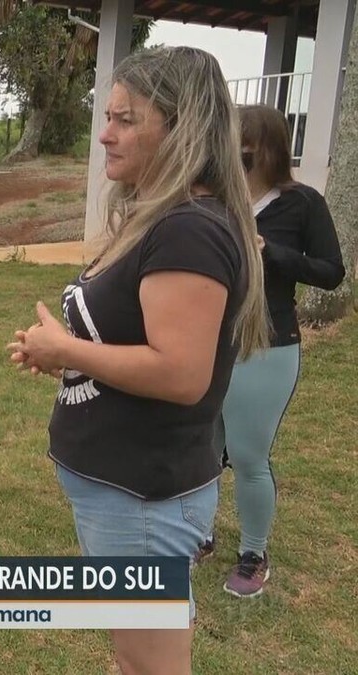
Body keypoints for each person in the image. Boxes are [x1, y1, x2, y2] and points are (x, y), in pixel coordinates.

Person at [7, 47, 268, 674]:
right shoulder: (156, 216)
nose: (105, 133)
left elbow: (181, 374)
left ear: (180, 128)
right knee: (136, 658)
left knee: (151, 665)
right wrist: (69, 355)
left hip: (144, 496)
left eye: (126, 118)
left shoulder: (187, 229)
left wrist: (66, 350)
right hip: (126, 491)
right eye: (108, 115)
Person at [197, 104, 345, 598]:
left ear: (267, 149)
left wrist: (271, 253)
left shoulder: (302, 204)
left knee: (246, 454)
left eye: (241, 146)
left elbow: (331, 271)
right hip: (210, 339)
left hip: (268, 344)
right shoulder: (218, 199)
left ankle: (254, 554)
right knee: (203, 446)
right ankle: (201, 533)